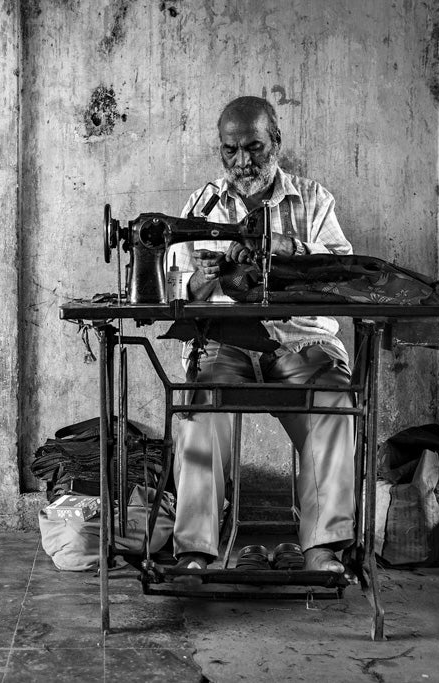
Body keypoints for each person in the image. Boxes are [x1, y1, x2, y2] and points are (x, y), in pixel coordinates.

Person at [168, 95, 355, 574]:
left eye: (254, 146)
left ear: (276, 141)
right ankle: (197, 552)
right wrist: (201, 279)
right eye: (231, 150)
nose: (243, 161)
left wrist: (281, 248)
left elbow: (341, 273)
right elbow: (175, 283)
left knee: (335, 404)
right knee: (199, 406)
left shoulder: (312, 200)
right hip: (225, 342)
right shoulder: (202, 204)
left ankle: (323, 549)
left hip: (298, 341)